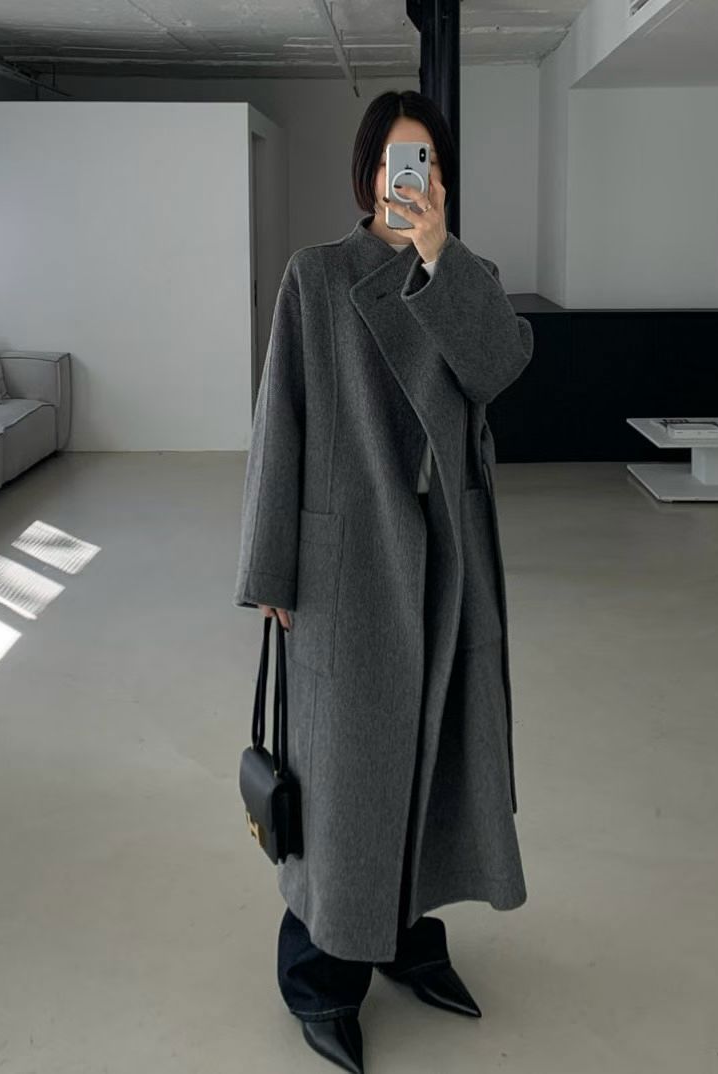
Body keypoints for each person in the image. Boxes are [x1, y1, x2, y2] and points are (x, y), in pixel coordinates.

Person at [233, 89, 534, 1074]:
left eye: (424, 162)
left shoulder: (468, 275)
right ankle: (321, 979)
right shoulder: (316, 276)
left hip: (450, 563)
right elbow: (280, 422)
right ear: (365, 173)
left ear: (440, 178)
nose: (407, 179)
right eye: (394, 161)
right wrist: (271, 568)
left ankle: (409, 942)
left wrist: (440, 257)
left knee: (434, 765)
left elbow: (499, 367)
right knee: (343, 783)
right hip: (349, 568)